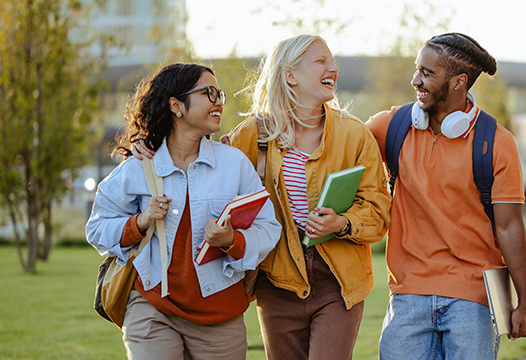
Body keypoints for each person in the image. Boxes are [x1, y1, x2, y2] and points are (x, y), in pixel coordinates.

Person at [86, 63, 281, 360]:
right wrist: (139, 222)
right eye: (208, 93)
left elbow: (268, 229)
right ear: (176, 105)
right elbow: (97, 227)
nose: (218, 101)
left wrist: (232, 241)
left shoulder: (234, 164)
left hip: (220, 314)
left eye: (220, 94)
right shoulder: (140, 166)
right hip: (152, 305)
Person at [366, 33, 526, 360]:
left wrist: (524, 302)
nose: (416, 80)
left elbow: (510, 228)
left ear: (459, 82)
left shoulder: (497, 142)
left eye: (427, 73)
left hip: (474, 296)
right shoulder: (394, 126)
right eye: (418, 69)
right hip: (407, 294)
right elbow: (339, 141)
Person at [228, 34, 390, 359]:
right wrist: (147, 144)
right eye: (321, 61)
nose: (334, 67)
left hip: (338, 282)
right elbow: (211, 180)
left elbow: (379, 212)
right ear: (290, 75)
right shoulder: (250, 135)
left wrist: (342, 223)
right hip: (277, 281)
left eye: (333, 61)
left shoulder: (354, 134)